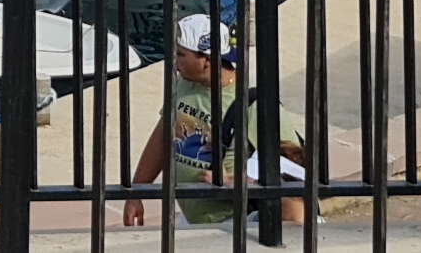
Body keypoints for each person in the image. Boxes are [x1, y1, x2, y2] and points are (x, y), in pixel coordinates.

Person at [124, 14, 309, 226]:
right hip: (193, 220)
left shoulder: (255, 106)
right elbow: (163, 135)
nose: (173, 61)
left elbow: (294, 179)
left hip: (236, 224)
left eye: (180, 54)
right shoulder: (185, 83)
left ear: (207, 60)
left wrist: (233, 184)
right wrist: (137, 191)